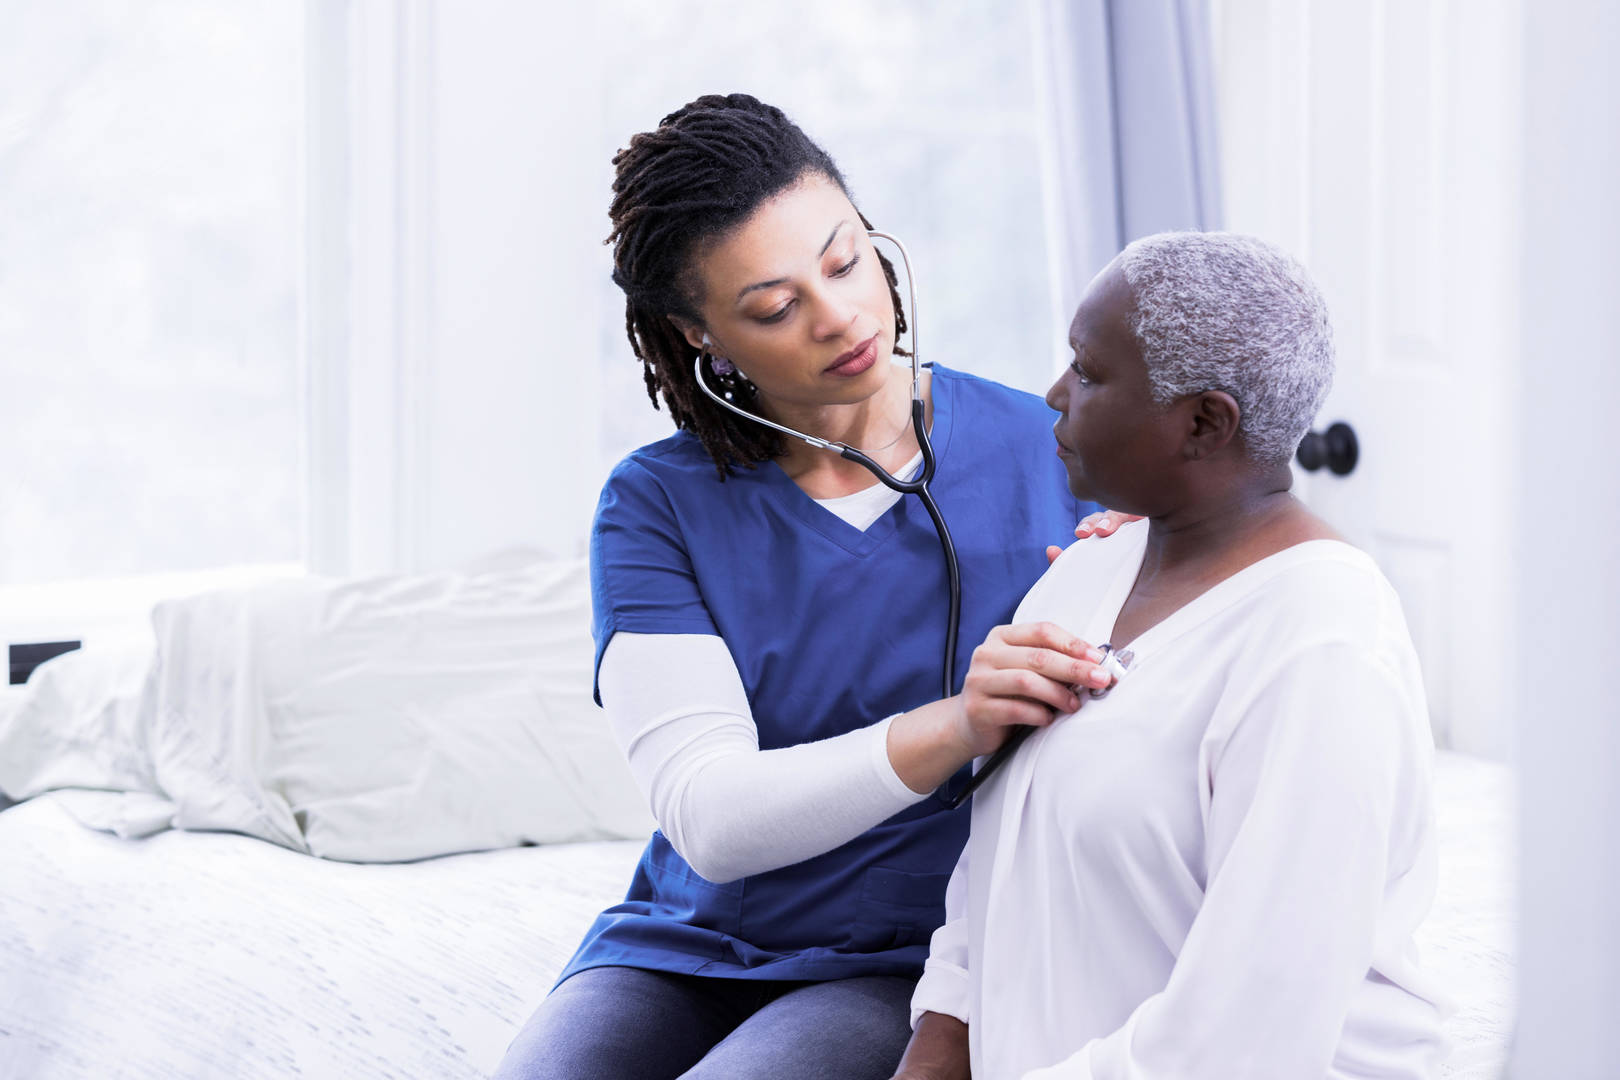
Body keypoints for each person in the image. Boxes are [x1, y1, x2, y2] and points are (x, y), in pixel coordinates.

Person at [493, 94, 1126, 1080]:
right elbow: (713, 819)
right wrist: (960, 721)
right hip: (687, 948)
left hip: (914, 958)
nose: (841, 317)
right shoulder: (657, 504)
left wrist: (1154, 575)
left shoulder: (1057, 454)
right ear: (701, 336)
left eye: (844, 260)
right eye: (774, 307)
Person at [894, 232, 1449, 1080]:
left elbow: (1240, 1043)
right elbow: (994, 882)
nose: (1054, 394)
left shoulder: (1323, 647)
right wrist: (933, 1056)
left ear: (1203, 423)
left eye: (1088, 371)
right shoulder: (1083, 573)